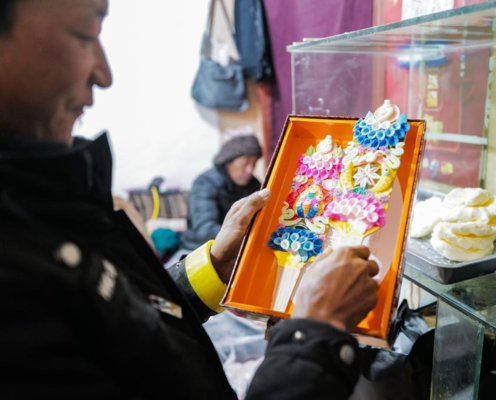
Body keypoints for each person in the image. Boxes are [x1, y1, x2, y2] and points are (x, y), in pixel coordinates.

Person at [0, 1, 379, 399]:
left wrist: (213, 264)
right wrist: (317, 330)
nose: (105, 75)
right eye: (84, 34)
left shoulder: (44, 199)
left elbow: (131, 334)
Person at [180, 134, 262, 251]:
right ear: (228, 162)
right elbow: (205, 230)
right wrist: (247, 237)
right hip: (197, 249)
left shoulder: (253, 184)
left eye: (254, 164)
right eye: (245, 163)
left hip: (239, 247)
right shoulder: (205, 183)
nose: (250, 170)